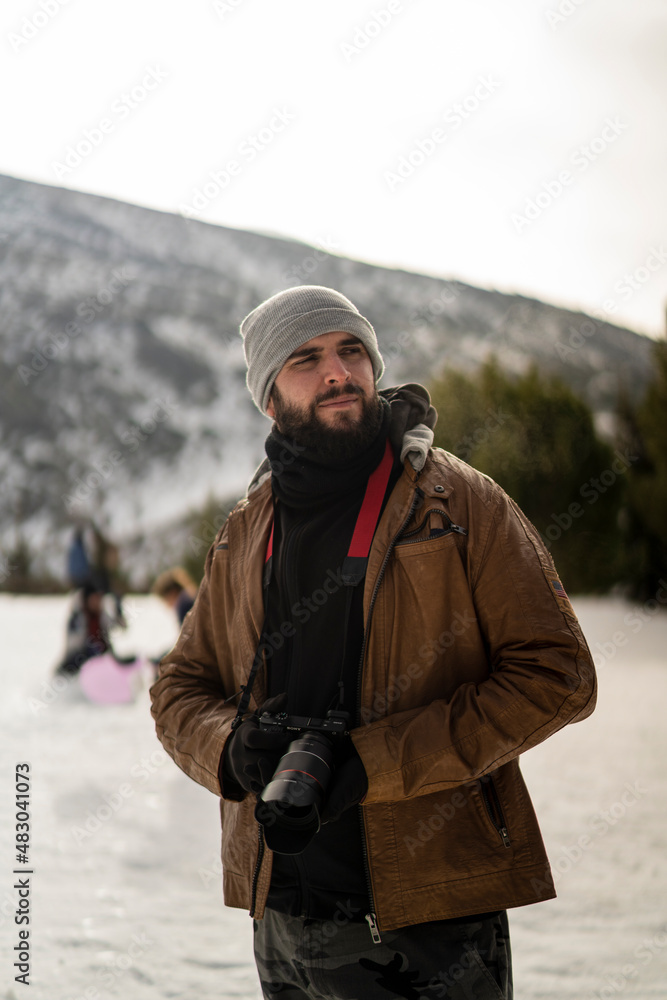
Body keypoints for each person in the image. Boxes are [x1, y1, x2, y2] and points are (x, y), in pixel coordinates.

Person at [150, 285, 597, 999]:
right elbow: (179, 688)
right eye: (307, 358)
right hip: (283, 912)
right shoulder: (245, 529)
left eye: (351, 350)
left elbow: (557, 675)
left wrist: (372, 763)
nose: (338, 371)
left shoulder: (459, 502)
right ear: (269, 397)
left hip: (428, 913)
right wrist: (229, 748)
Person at [56, 582, 126, 676]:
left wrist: (118, 611)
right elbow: (73, 644)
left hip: (103, 655)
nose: (97, 602)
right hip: (82, 657)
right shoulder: (78, 618)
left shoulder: (102, 615)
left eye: (99, 598)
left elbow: (120, 626)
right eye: (94, 599)